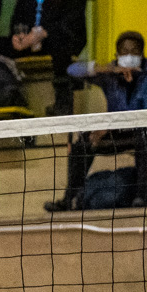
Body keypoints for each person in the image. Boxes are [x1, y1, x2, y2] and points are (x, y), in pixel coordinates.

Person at [44, 32, 147, 212]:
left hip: (142, 129)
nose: (129, 55)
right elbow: (72, 70)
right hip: (116, 131)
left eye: (134, 51)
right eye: (125, 51)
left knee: (143, 136)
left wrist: (108, 125)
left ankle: (141, 196)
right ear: (117, 56)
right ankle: (70, 199)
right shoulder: (109, 75)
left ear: (141, 55)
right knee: (83, 141)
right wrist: (107, 69)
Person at [3, 0, 87, 115]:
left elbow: (73, 24)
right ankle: (12, 102)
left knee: (60, 47)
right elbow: (17, 21)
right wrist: (18, 37)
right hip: (28, 45)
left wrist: (44, 33)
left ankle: (62, 103)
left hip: (60, 41)